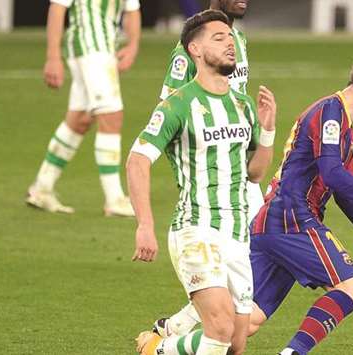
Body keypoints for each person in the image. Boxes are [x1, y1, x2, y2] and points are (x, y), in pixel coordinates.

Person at [154, 52, 353, 355]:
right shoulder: (331, 113)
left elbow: (342, 191)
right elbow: (332, 173)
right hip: (293, 216)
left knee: (244, 326)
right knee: (350, 288)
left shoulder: (347, 134)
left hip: (272, 221)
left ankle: (162, 348)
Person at [127, 10, 276, 355]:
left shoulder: (244, 105)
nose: (230, 44)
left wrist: (267, 131)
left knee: (236, 343)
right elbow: (137, 161)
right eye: (219, 38)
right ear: (194, 49)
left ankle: (157, 349)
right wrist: (144, 225)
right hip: (196, 228)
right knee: (220, 327)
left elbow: (255, 173)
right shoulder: (177, 106)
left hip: (237, 234)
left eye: (231, 38)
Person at [152, 0, 261, 338]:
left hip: (241, 159)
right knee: (261, 246)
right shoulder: (189, 51)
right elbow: (170, 108)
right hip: (214, 170)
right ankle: (180, 330)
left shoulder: (237, 40)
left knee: (255, 249)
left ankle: (177, 327)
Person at [26, 0, 141, 216]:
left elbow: (132, 9)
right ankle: (114, 198)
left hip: (104, 47)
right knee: (111, 115)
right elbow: (57, 7)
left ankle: (42, 188)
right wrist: (52, 57)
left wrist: (133, 45)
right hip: (89, 46)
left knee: (80, 120)